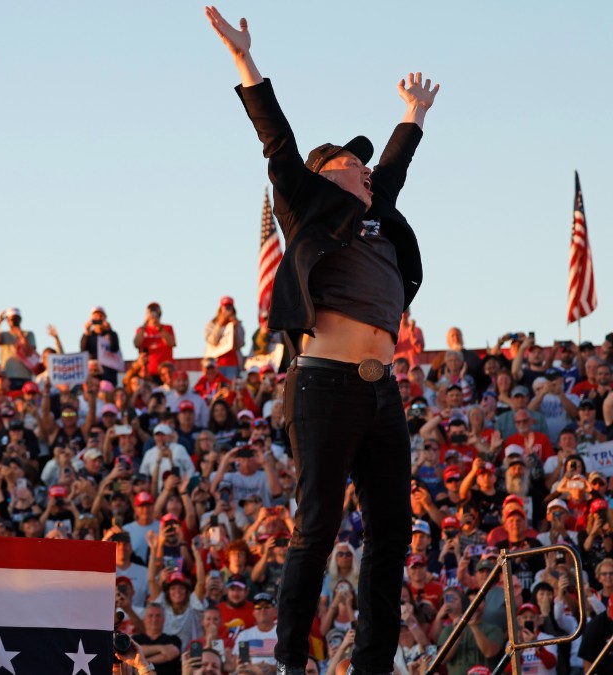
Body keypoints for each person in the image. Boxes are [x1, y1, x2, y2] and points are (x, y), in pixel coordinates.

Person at [205, 7, 440, 674]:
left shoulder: (376, 213)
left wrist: (414, 113)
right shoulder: (307, 203)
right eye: (353, 163)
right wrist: (245, 61)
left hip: (382, 393)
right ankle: (290, 661)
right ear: (325, 172)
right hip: (324, 385)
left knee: (395, 531)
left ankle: (371, 664)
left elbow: (392, 166)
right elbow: (276, 140)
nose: (368, 172)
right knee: (317, 527)